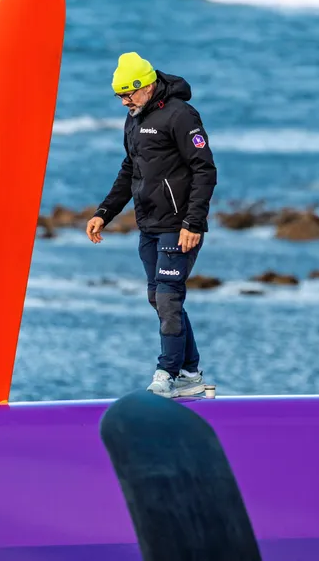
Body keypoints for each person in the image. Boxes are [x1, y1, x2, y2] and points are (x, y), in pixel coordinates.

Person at [85, 52, 218, 398]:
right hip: (149, 225)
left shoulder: (180, 115)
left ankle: (167, 374)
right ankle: (190, 373)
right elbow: (130, 169)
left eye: (128, 94)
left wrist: (193, 222)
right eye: (119, 96)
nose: (124, 102)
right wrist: (105, 212)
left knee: (168, 297)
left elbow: (204, 169)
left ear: (147, 86)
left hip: (179, 225)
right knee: (158, 299)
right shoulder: (133, 119)